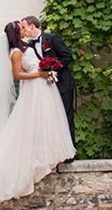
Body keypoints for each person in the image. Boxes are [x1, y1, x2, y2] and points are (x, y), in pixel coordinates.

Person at [0, 21, 75, 209]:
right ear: (16, 33)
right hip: (35, 87)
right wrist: (39, 75)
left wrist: (46, 71)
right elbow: (18, 75)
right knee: (32, 119)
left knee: (48, 119)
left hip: (43, 87)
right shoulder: (16, 52)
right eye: (21, 28)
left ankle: (47, 151)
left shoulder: (26, 46)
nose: (25, 29)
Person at [21, 15, 76, 147]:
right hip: (46, 88)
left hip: (62, 84)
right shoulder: (30, 46)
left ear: (32, 26)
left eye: (24, 27)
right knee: (51, 120)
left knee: (66, 118)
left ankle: (69, 152)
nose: (23, 30)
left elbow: (67, 56)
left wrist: (54, 67)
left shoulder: (52, 38)